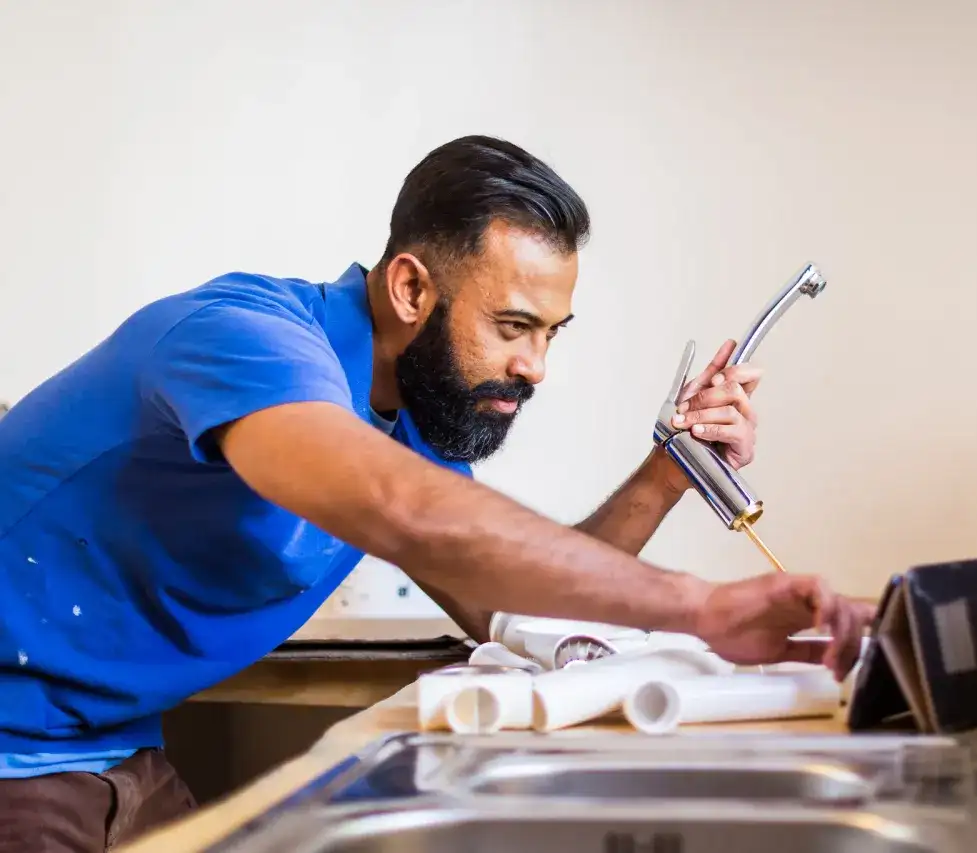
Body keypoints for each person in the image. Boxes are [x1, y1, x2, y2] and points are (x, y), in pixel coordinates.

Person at [0, 135, 874, 851]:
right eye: (513, 326)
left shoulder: (404, 421)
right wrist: (701, 606)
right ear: (411, 287)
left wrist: (671, 467)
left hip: (116, 757)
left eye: (551, 332)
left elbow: (508, 600)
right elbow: (403, 509)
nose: (535, 366)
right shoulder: (246, 340)